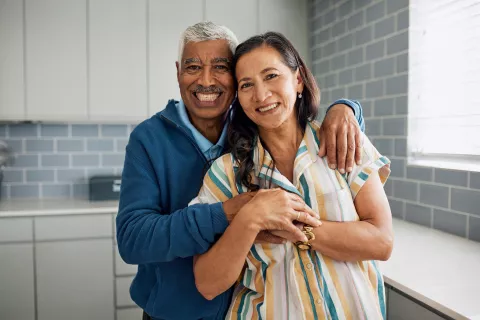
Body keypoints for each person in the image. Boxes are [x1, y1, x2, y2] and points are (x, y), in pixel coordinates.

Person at [116, 22, 366, 320]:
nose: (206, 80)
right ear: (178, 72)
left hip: (247, 309)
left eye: (220, 67)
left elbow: (297, 118)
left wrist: (346, 109)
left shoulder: (254, 126)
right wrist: (228, 214)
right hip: (176, 312)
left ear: (235, 78)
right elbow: (133, 240)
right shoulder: (149, 139)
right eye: (192, 67)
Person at [190, 32, 393, 319]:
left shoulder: (344, 142)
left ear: (298, 80)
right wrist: (250, 219)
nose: (261, 95)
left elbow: (381, 242)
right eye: (247, 85)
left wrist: (296, 229)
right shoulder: (225, 173)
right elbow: (208, 284)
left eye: (271, 76)